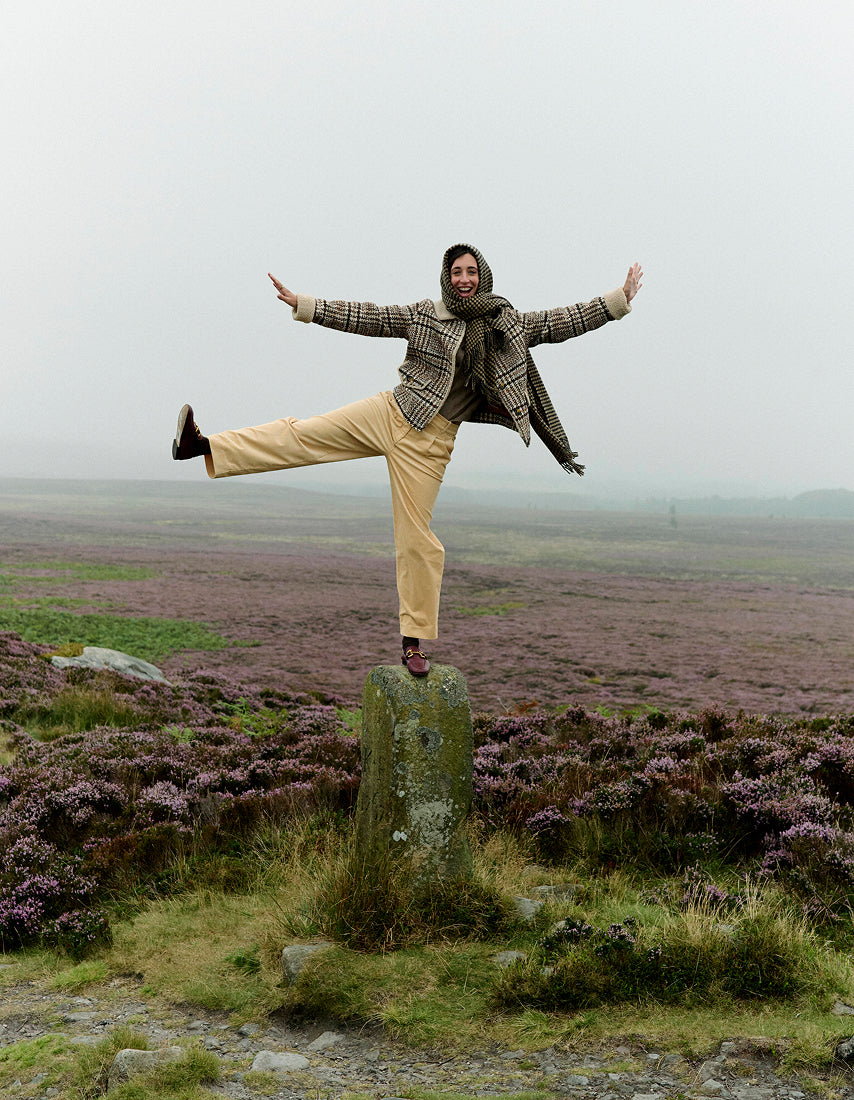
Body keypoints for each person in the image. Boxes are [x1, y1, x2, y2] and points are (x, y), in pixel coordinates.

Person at [172, 244, 642, 677]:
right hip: (390, 411)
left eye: (471, 271)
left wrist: (617, 300)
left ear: (484, 276)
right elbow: (371, 317)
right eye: (455, 271)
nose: (463, 279)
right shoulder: (425, 315)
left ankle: (413, 643)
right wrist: (307, 306)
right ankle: (205, 446)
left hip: (430, 443)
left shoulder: (508, 324)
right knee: (305, 434)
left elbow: (564, 321)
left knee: (418, 540)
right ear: (445, 276)